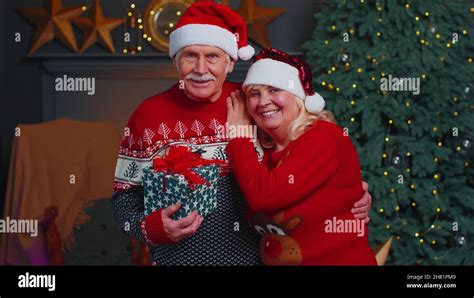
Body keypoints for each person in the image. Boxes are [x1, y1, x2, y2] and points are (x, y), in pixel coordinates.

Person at [111, 1, 372, 265]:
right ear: (176, 61)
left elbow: (302, 164)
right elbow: (123, 198)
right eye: (190, 55)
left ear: (230, 61)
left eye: (212, 56)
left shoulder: (255, 103)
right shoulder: (148, 115)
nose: (201, 69)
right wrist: (152, 229)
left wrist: (350, 195)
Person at [226, 48, 377, 265]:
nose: (263, 101)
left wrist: (238, 136)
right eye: (255, 94)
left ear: (298, 97)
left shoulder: (323, 137)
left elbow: (263, 197)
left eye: (274, 90)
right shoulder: (264, 151)